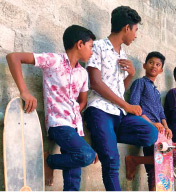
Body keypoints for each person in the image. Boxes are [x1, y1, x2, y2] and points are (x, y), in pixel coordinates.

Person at [5, 25, 97, 191]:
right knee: (87, 156)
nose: (92, 52)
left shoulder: (83, 73)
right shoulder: (54, 60)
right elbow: (13, 57)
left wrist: (76, 112)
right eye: (91, 47)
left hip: (75, 126)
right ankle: (49, 161)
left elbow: (82, 100)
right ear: (79, 44)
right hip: (58, 124)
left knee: (73, 180)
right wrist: (24, 91)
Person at [83, 6, 159, 190]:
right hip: (99, 110)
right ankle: (104, 139)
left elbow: (118, 91)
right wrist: (127, 105)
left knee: (150, 133)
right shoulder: (98, 47)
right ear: (127, 28)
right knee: (112, 161)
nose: (135, 35)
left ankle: (104, 138)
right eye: (135, 30)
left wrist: (131, 75)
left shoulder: (123, 55)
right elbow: (95, 83)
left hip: (118, 114)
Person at [123, 51, 174, 191]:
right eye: (151, 63)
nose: (154, 66)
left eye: (158, 64)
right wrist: (151, 124)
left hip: (160, 130)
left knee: (172, 159)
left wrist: (166, 126)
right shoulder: (140, 83)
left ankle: (135, 160)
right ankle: (132, 160)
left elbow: (160, 112)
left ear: (161, 70)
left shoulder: (157, 91)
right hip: (147, 127)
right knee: (155, 166)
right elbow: (134, 106)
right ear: (145, 65)